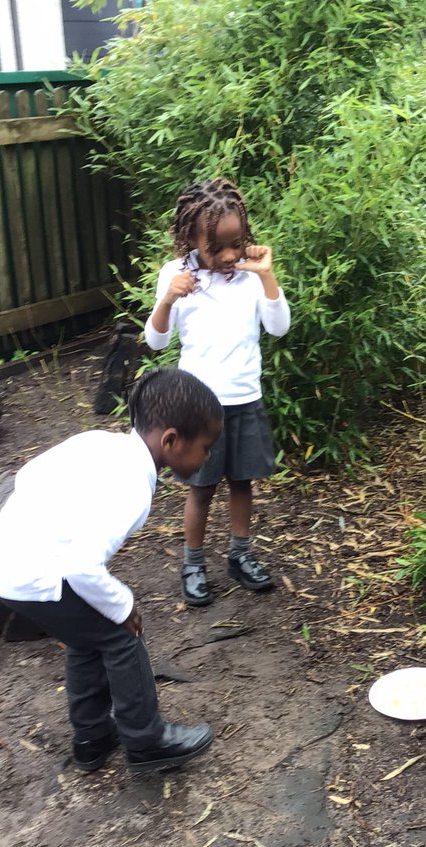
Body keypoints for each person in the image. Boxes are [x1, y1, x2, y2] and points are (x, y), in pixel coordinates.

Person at [0, 367, 224, 775]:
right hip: (33, 571)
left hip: (5, 557)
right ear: (171, 440)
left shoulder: (102, 444)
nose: (208, 457)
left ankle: (91, 739)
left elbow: (29, 475)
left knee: (86, 636)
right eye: (205, 447)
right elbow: (80, 566)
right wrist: (123, 606)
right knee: (121, 636)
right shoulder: (131, 486)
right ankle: (147, 741)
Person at [145, 178, 291, 607]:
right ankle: (193, 564)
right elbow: (154, 342)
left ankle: (240, 556)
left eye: (236, 243)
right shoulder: (175, 276)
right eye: (217, 248)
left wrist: (266, 276)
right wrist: (168, 300)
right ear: (190, 237)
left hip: (245, 397)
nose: (229, 255)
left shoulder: (249, 277)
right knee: (201, 489)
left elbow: (279, 327)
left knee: (242, 482)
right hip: (198, 406)